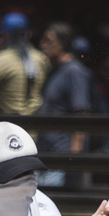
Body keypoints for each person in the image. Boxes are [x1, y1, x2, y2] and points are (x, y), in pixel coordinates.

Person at [38, 23, 95, 188]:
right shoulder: (55, 71)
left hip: (63, 158)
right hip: (49, 154)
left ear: (63, 44)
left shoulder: (74, 71)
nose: (43, 44)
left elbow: (81, 112)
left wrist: (74, 155)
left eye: (48, 40)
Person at [0, 12, 49, 116]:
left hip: (6, 127)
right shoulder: (42, 59)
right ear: (28, 34)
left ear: (5, 35)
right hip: (32, 127)